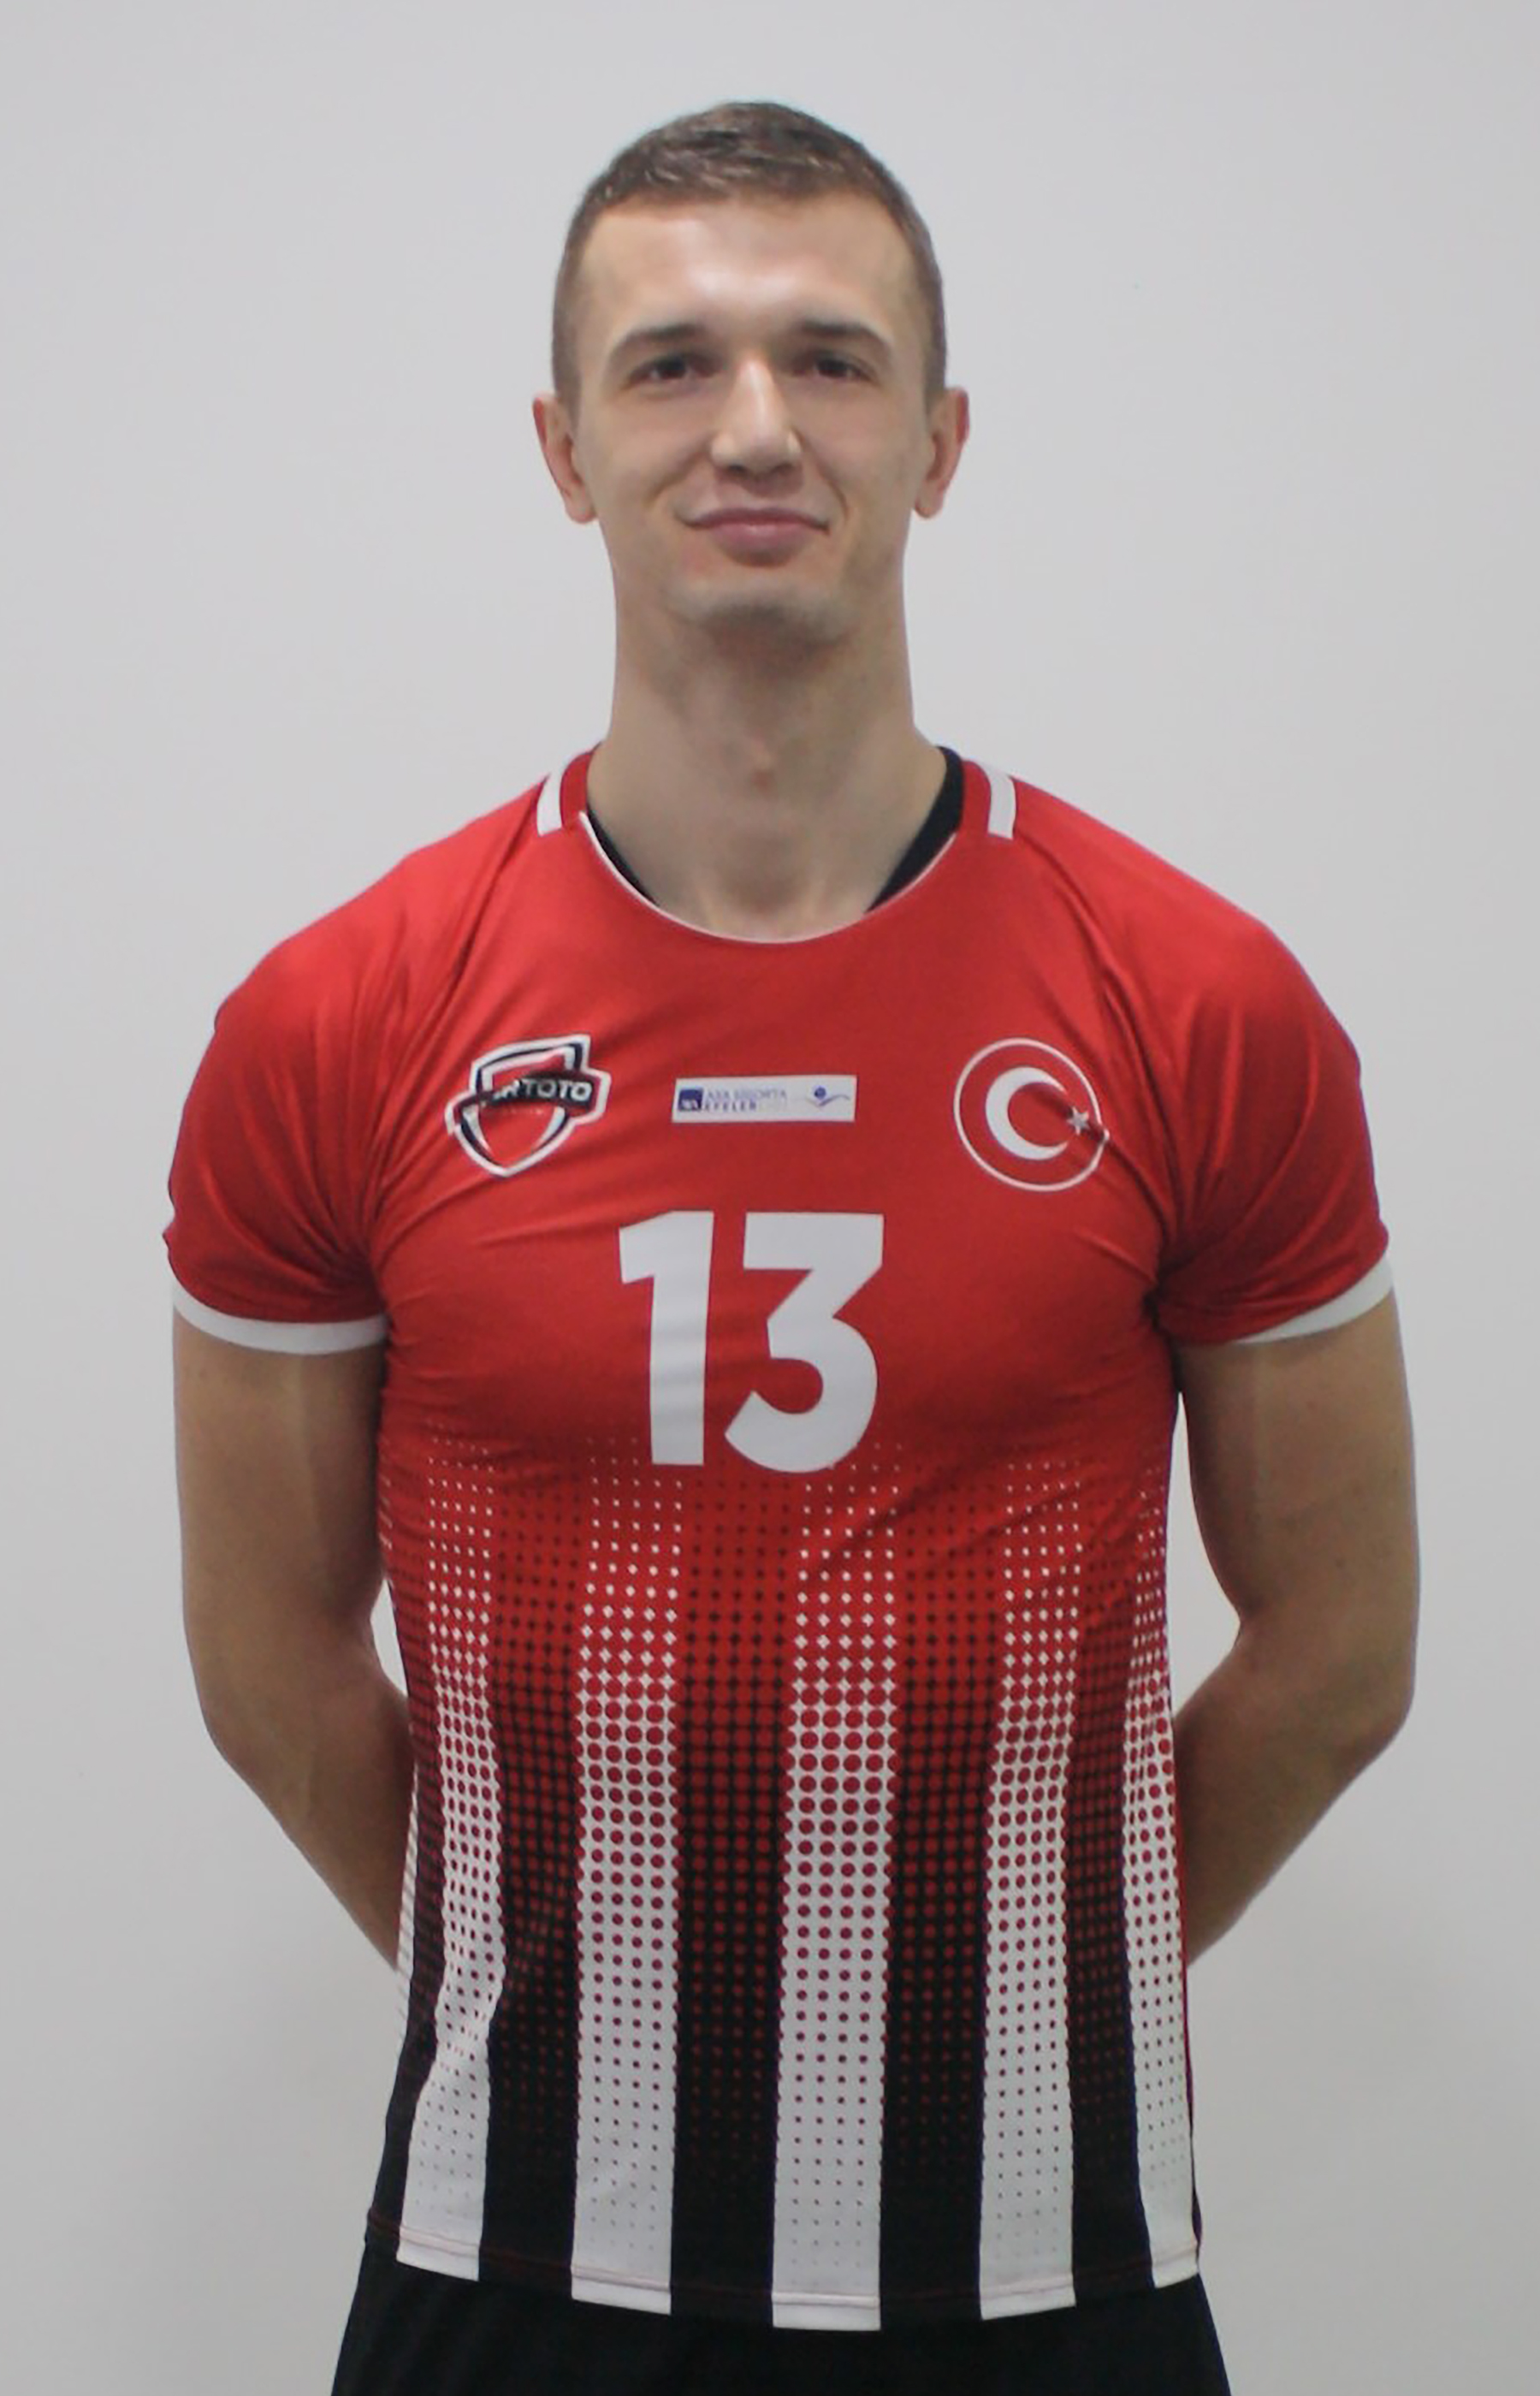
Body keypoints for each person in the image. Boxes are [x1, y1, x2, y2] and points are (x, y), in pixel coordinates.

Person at [167, 99, 1419, 2396]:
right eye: (672, 364)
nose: (756, 425)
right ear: (563, 448)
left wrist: (1000, 2005)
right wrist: (585, 2019)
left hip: (1047, 2281)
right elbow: (270, 1667)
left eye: (832, 359)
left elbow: (1341, 1654)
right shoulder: (340, 1020)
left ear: (940, 440)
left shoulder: (1198, 1003)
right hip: (510, 2276)